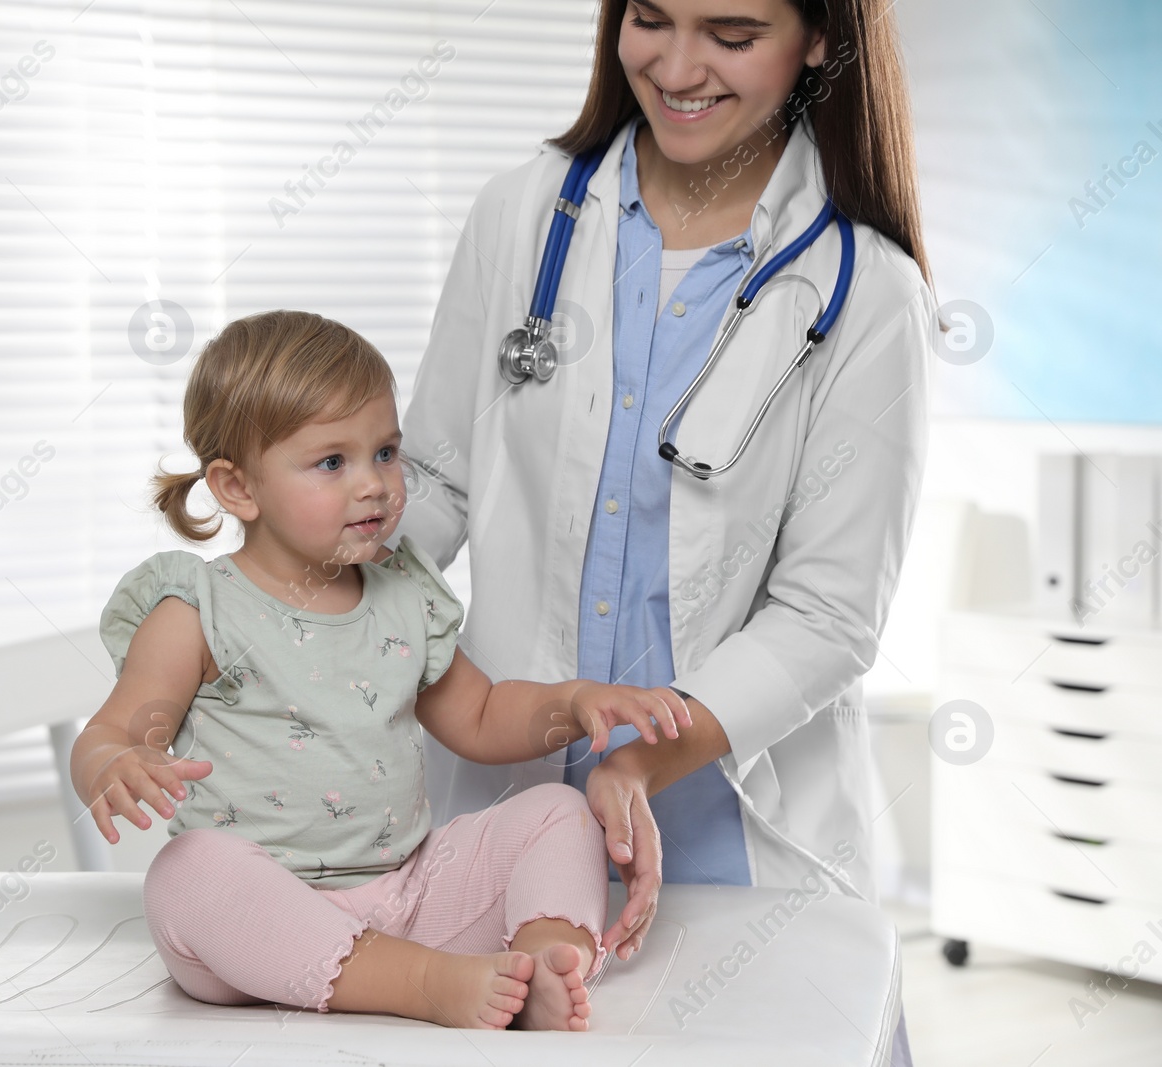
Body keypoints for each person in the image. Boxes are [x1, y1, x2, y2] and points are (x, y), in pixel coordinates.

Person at [383, 1, 935, 1060]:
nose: (677, 67)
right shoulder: (521, 216)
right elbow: (441, 479)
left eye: (730, 36)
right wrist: (303, 583)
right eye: (649, 19)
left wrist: (638, 763)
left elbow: (826, 614)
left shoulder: (867, 292)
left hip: (727, 825)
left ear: (819, 39)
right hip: (503, 804)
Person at [70, 309, 693, 1031]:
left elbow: (483, 715)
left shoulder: (403, 592)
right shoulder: (198, 611)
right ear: (239, 489)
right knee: (186, 874)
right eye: (333, 462)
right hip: (258, 924)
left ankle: (543, 957)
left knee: (557, 810)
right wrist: (116, 761)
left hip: (408, 893)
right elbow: (114, 730)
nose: (374, 484)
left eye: (386, 452)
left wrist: (574, 701)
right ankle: (426, 983)